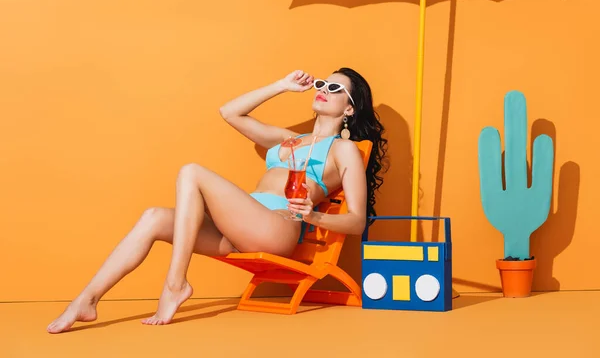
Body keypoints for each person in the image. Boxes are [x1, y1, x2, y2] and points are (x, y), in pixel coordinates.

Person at [46, 67, 388, 334]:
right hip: (245, 227)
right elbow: (230, 112)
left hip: (278, 229)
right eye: (321, 85)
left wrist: (314, 217)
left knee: (191, 172)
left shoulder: (344, 150)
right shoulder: (288, 140)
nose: (324, 91)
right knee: (152, 217)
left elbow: (357, 220)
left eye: (335, 88)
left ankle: (175, 285)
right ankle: (85, 301)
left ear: (350, 107)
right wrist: (282, 85)